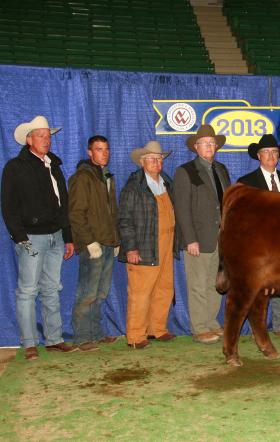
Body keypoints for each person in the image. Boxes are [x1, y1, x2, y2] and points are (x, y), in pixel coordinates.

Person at [1, 115, 77, 360]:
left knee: (52, 288)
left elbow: (62, 204)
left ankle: (54, 339)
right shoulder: (16, 167)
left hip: (55, 235)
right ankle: (30, 342)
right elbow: (8, 205)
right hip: (31, 237)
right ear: (29, 139)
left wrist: (68, 236)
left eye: (48, 136)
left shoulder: (53, 166)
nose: (46, 140)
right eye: (41, 136)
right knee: (28, 290)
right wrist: (20, 237)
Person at [173, 125, 230, 345]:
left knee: (215, 282)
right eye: (204, 143)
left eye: (212, 143)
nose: (209, 146)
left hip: (220, 236)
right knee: (197, 283)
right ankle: (199, 327)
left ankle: (211, 321)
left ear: (216, 146)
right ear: (196, 147)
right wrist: (190, 239)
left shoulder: (221, 169)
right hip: (198, 237)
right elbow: (182, 208)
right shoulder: (185, 171)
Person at [238, 134, 280, 342]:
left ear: (279, 156)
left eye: (274, 152)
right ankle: (258, 328)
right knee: (257, 287)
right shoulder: (246, 182)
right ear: (258, 156)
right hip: (258, 245)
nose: (271, 156)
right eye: (266, 152)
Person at [118, 141, 177, 349]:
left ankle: (157, 329)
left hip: (166, 245)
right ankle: (135, 336)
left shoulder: (166, 183)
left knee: (164, 287)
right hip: (143, 246)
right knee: (140, 292)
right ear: (142, 162)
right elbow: (124, 219)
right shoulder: (134, 186)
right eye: (152, 158)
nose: (157, 162)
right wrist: (131, 248)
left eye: (159, 158)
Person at [68, 135, 120, 352]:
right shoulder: (82, 178)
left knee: (101, 292)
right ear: (90, 152)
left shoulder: (106, 176)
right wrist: (89, 242)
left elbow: (112, 213)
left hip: (107, 241)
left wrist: (115, 239)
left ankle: (96, 334)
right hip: (93, 244)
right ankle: (81, 337)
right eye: (99, 149)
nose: (104, 153)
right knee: (87, 292)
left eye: (106, 149)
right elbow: (76, 214)